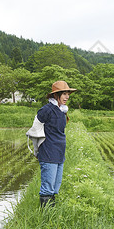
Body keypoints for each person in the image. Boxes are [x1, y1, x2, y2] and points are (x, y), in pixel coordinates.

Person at [35, 80, 76, 208]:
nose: (67, 97)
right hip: (48, 153)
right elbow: (36, 127)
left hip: (59, 154)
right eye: (64, 94)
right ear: (55, 95)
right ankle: (45, 218)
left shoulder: (62, 111)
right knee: (47, 188)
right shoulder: (47, 109)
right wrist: (37, 149)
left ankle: (51, 215)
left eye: (68, 94)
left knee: (55, 188)